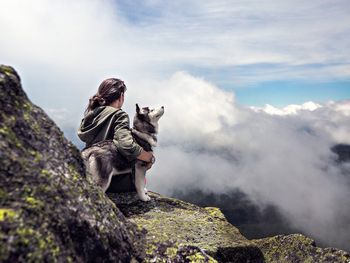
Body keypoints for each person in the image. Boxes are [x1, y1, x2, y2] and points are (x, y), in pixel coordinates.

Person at [77, 78, 154, 191]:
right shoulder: (119, 115)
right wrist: (148, 157)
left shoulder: (90, 115)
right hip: (114, 181)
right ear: (121, 96)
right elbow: (126, 144)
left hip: (91, 176)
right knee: (141, 177)